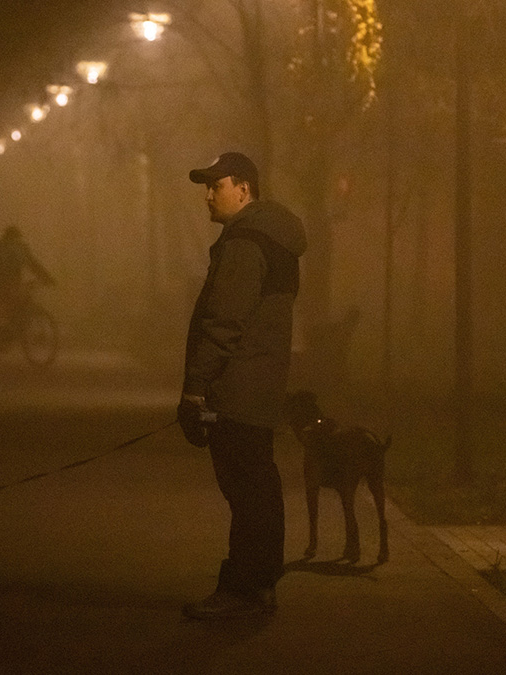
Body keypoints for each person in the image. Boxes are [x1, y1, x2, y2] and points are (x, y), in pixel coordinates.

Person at [176, 151, 307, 620]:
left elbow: (223, 322)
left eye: (217, 186)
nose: (208, 195)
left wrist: (195, 388)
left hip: (236, 387)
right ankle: (261, 583)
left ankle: (242, 589)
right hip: (263, 383)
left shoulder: (245, 244)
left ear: (245, 188)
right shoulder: (276, 239)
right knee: (260, 488)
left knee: (245, 491)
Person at [0, 226, 54, 319]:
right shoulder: (18, 248)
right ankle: (9, 327)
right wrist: (46, 278)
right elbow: (33, 264)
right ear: (16, 237)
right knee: (19, 304)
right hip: (6, 285)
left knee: (13, 307)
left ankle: (8, 325)